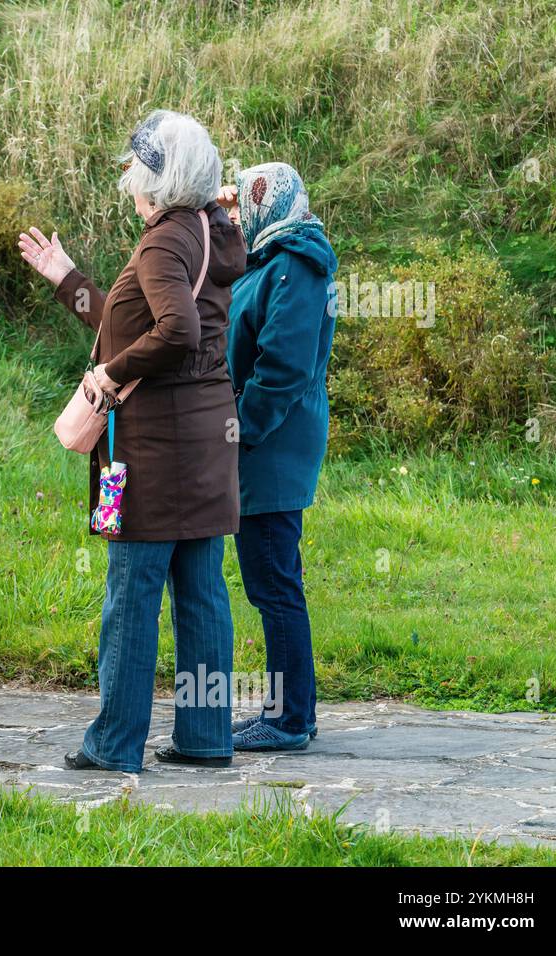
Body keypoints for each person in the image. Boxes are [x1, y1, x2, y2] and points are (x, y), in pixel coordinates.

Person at [19, 110, 247, 771]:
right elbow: (134, 320)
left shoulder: (161, 244)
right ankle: (206, 738)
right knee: (201, 589)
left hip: (145, 449)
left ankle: (114, 744)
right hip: (203, 441)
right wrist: (67, 278)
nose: (129, 182)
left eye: (136, 169)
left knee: (130, 595)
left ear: (158, 175)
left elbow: (173, 332)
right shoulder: (205, 229)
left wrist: (110, 377)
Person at [216, 162, 338, 751]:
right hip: (268, 441)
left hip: (271, 445)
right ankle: (288, 712)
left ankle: (291, 720)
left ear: (272, 203)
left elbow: (283, 370)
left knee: (273, 581)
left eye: (246, 201)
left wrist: (239, 428)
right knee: (273, 579)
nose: (238, 212)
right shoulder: (276, 257)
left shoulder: (293, 265)